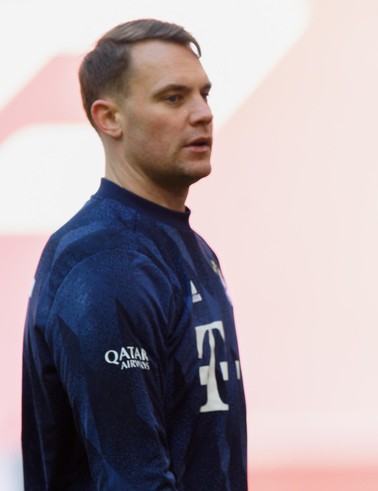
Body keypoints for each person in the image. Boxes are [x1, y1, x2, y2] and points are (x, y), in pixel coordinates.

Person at [21, 19, 247, 489]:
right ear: (110, 118)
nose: (203, 113)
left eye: (204, 94)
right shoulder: (104, 265)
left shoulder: (192, 249)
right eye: (173, 97)